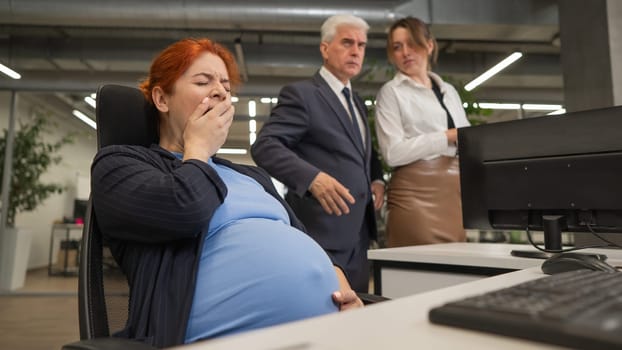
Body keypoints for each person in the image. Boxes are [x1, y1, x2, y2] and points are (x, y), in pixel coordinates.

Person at [90, 38, 363, 348]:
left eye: (226, 85)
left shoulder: (250, 175)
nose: (220, 91)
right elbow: (185, 208)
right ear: (162, 99)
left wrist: (341, 287)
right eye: (203, 81)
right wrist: (198, 149)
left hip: (324, 335)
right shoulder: (120, 164)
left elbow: (307, 245)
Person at [250, 14, 385, 293]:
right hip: (321, 233)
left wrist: (377, 178)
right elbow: (265, 145)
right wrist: (313, 178)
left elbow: (360, 153)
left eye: (361, 45)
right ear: (325, 48)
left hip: (359, 236)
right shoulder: (302, 95)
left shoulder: (356, 101)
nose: (356, 50)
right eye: (347, 42)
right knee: (322, 317)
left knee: (356, 316)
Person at [374, 17, 471, 247]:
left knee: (459, 272)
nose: (405, 52)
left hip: (454, 195)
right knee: (423, 270)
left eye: (412, 43)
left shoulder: (449, 91)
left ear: (429, 45)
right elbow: (393, 153)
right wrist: (446, 137)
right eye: (397, 47)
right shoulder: (391, 92)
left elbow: (468, 139)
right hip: (415, 196)